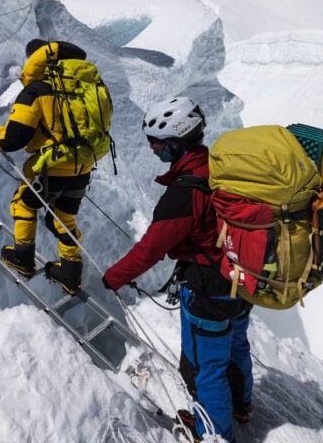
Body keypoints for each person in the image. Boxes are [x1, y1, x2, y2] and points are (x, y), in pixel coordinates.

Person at [101, 96, 253, 443]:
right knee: (236, 346)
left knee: (205, 370)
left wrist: (113, 278)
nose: (153, 149)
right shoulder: (219, 167)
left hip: (208, 288)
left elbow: (151, 248)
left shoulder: (184, 193)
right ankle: (241, 406)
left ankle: (214, 435)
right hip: (243, 276)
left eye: (155, 142)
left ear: (174, 141)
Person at [0, 39, 95, 295]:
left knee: (23, 203)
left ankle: (22, 258)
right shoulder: (83, 89)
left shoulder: (37, 91)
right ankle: (71, 273)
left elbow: (12, 140)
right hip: (84, 167)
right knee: (64, 218)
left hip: (50, 168)